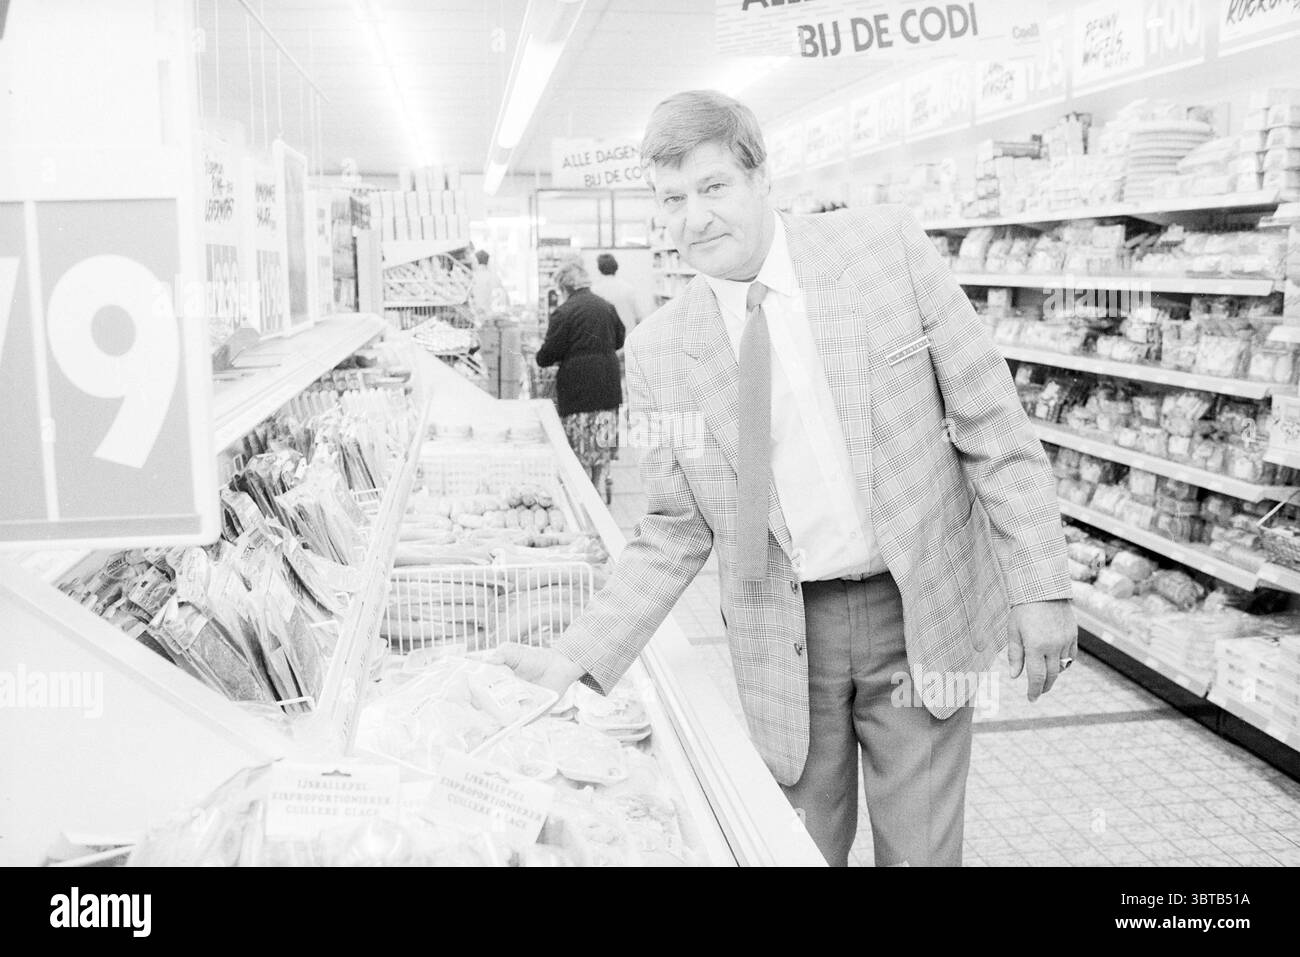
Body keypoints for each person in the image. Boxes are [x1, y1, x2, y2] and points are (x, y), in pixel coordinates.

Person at [498, 90, 1075, 867]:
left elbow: (992, 425)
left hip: (919, 613)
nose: (693, 217)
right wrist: (573, 657)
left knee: (924, 855)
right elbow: (669, 531)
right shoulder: (663, 354)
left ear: (761, 174)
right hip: (784, 633)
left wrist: (1040, 587)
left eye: (713, 187)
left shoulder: (885, 250)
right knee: (795, 850)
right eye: (672, 199)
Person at [534, 260, 625, 495]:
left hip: (578, 390)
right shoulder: (606, 306)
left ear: (564, 288)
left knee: (579, 448)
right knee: (600, 447)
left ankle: (584, 496)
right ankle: (596, 489)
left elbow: (546, 356)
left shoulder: (564, 313)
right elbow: (620, 340)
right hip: (608, 386)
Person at [591, 252, 644, 339]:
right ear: (616, 267)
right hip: (627, 336)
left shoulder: (594, 291)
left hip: (605, 338)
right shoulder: (628, 288)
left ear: (599, 268)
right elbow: (638, 316)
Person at [470, 248, 508, 314]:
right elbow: (504, 295)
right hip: (488, 312)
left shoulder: (472, 276)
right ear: (488, 261)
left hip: (474, 313)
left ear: (476, 261)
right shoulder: (493, 276)